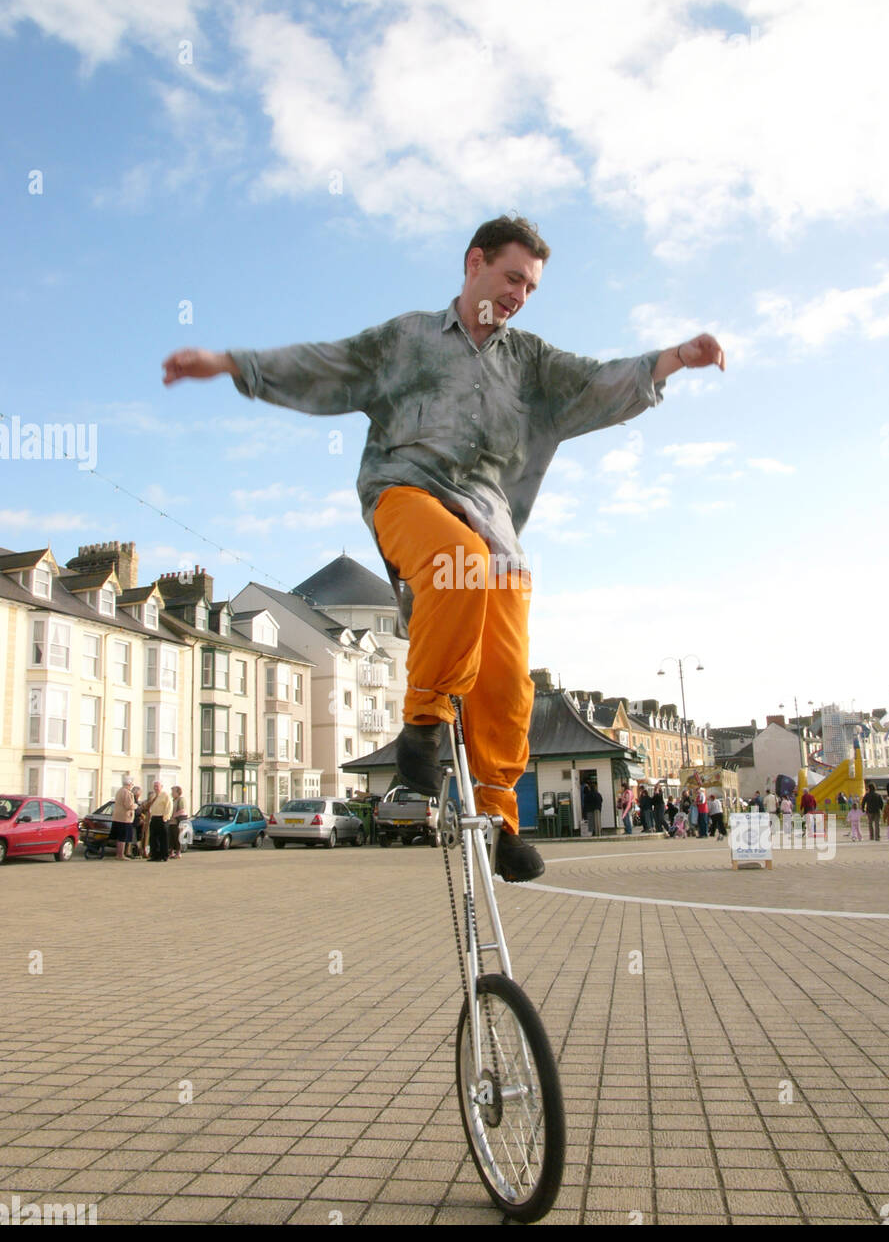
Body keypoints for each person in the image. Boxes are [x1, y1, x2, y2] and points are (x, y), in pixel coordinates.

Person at [163, 215, 724, 883]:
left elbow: (597, 382)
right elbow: (329, 365)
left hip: (492, 524)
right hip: (405, 494)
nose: (519, 295)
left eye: (531, 287)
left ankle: (500, 821)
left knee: (507, 673)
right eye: (512, 277)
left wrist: (674, 358)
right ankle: (422, 723)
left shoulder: (531, 363)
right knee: (462, 564)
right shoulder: (408, 339)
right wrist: (234, 364)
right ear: (474, 263)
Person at [110, 777, 136, 861]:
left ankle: (118, 854)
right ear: (129, 784)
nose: (132, 786)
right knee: (123, 837)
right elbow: (129, 805)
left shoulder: (119, 791)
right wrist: (136, 806)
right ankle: (121, 855)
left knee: (119, 837)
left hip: (117, 817)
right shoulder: (127, 792)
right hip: (124, 818)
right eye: (132, 784)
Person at [147, 782, 173, 862]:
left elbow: (169, 806)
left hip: (162, 818)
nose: (155, 788)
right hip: (154, 817)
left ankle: (164, 856)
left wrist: (165, 817)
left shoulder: (165, 795)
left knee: (163, 838)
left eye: (157, 786)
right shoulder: (154, 795)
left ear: (161, 787)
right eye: (154, 786)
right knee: (153, 838)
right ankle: (155, 855)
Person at [168, 785, 189, 859]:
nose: (172, 793)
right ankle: (171, 852)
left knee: (177, 837)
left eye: (173, 792)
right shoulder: (173, 800)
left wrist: (174, 815)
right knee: (171, 838)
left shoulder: (181, 800)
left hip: (177, 822)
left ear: (178, 792)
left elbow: (183, 810)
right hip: (171, 822)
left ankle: (178, 852)